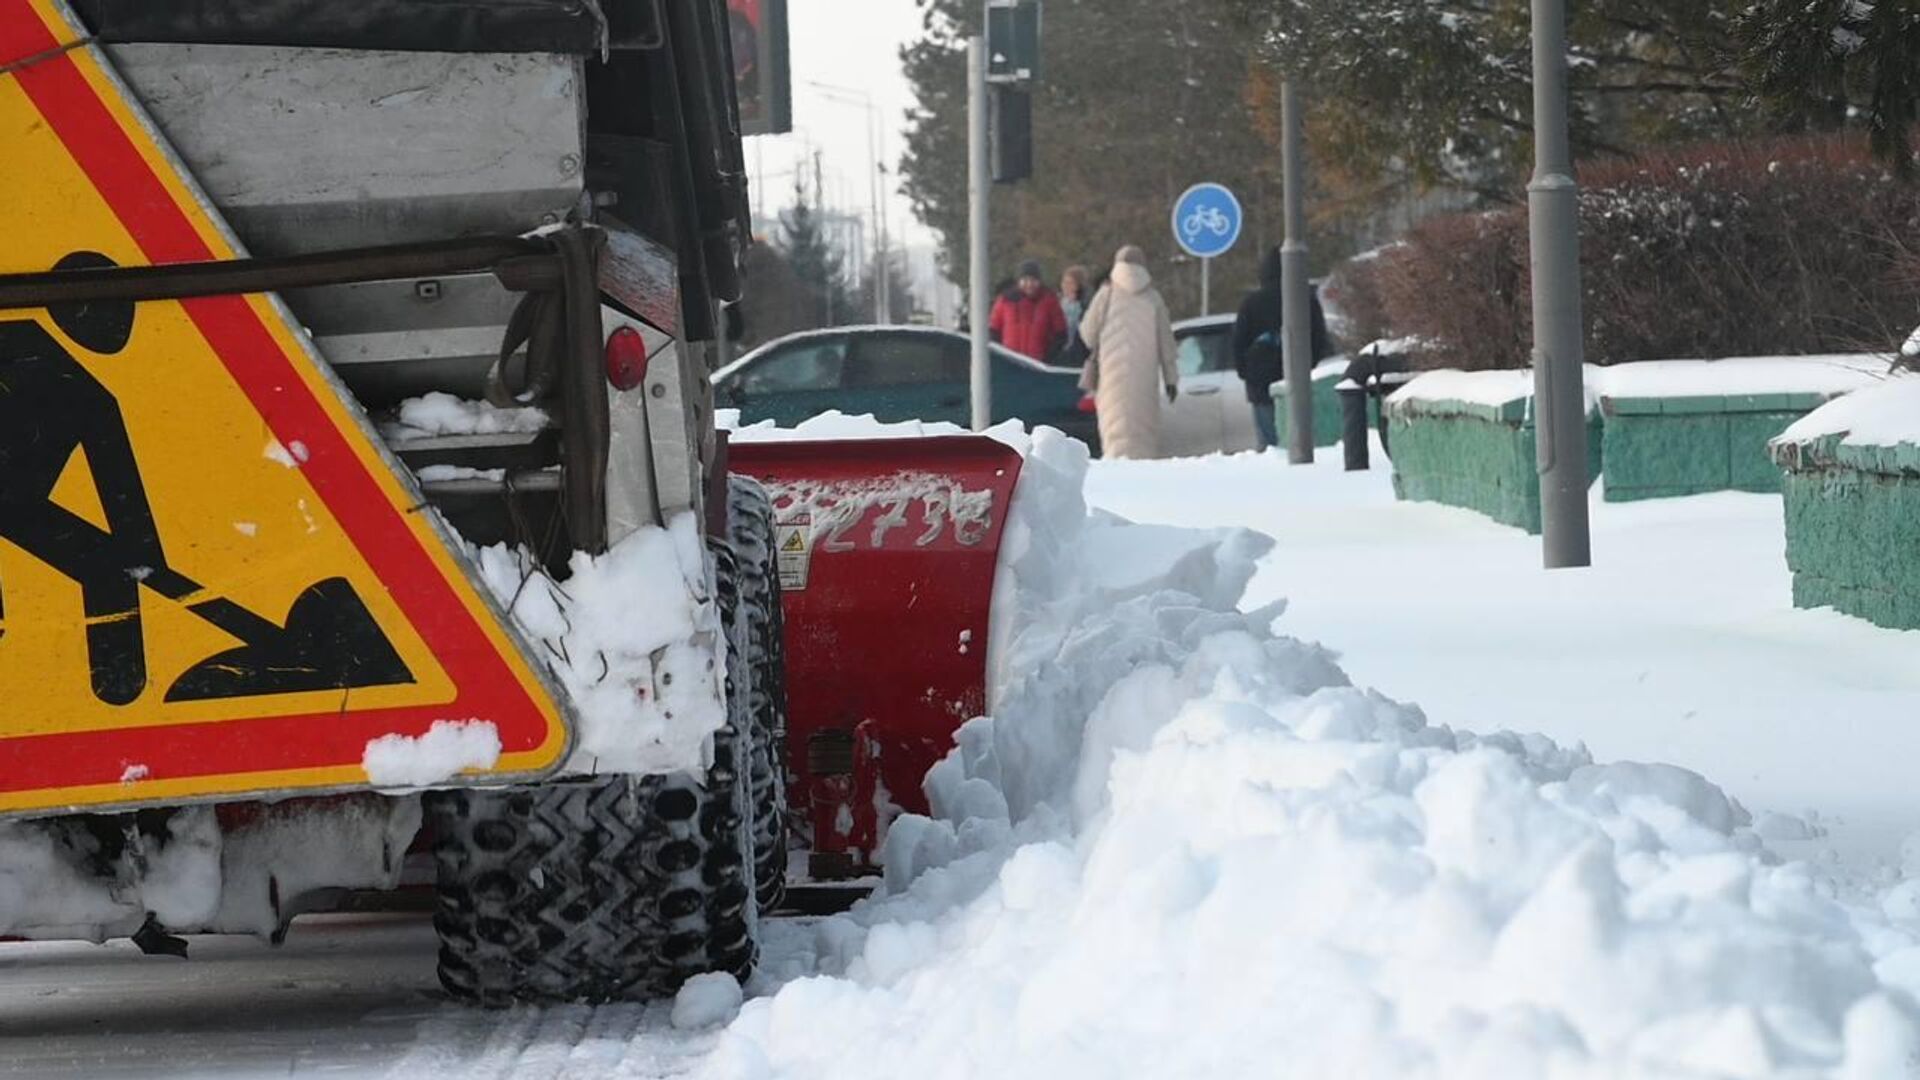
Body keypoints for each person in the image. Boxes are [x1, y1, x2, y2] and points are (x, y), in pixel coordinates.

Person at [1079, 245, 1179, 460]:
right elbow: (1167, 343)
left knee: (1115, 432)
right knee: (1143, 434)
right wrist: (1171, 379)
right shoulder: (1153, 298)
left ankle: (1118, 473)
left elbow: (1087, 334)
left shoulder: (1105, 295)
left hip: (1111, 379)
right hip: (1144, 378)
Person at [1231, 246, 1332, 451]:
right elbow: (1319, 338)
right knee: (1300, 439)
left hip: (1260, 385)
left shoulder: (1251, 303)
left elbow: (1238, 344)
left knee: (1270, 446)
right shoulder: (1305, 299)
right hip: (1298, 381)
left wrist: (1247, 373)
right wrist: (1309, 365)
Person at [987, 259, 1068, 363]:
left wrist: (1048, 358)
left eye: (1033, 280)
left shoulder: (1050, 301)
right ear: (1018, 281)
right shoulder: (1005, 300)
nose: (1029, 284)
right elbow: (994, 331)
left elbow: (1060, 334)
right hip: (1008, 361)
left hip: (1038, 364)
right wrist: (1000, 355)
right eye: (1025, 280)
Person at [1058, 265, 1091, 358]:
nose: (1065, 286)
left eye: (1070, 283)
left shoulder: (1085, 307)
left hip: (1077, 352)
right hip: (1059, 350)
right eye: (1064, 282)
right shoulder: (1057, 303)